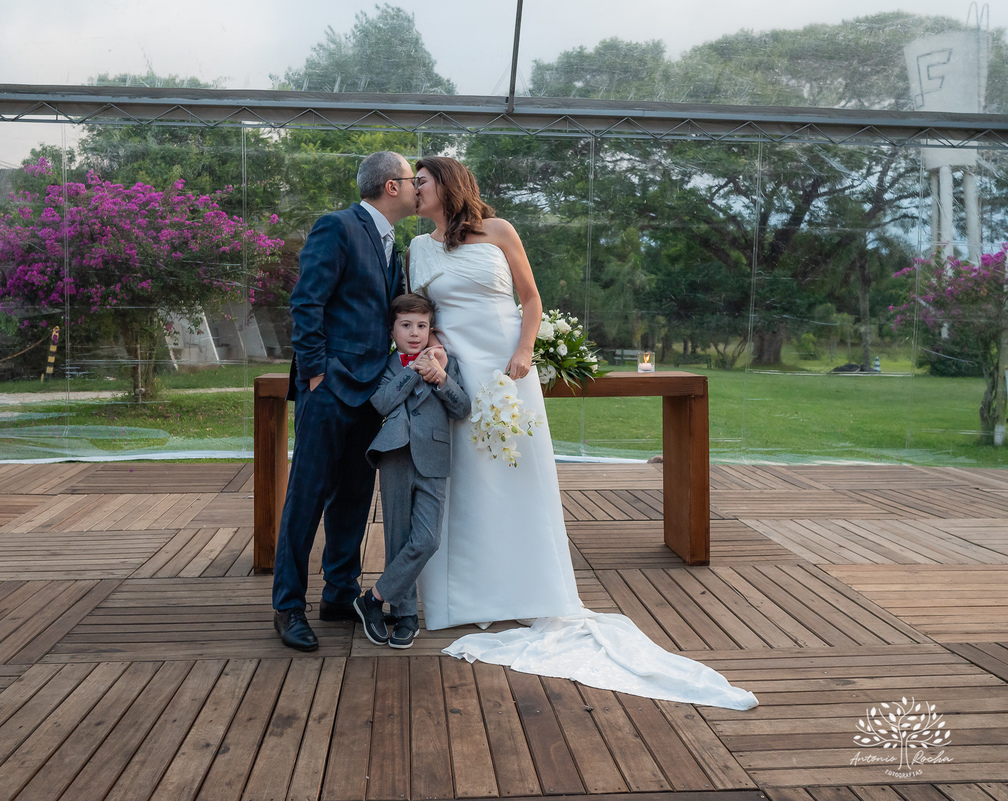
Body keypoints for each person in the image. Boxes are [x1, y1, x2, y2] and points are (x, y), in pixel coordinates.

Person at [406, 156, 757, 710]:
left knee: (519, 477)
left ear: (446, 186)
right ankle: (464, 598)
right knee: (465, 481)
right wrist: (434, 354)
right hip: (458, 373)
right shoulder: (418, 248)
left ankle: (530, 589)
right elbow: (423, 315)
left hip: (507, 368)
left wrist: (524, 352)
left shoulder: (499, 232)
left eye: (420, 183)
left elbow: (530, 299)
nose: (412, 191)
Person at [271, 151, 421, 652]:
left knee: (355, 498)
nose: (419, 188)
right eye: (411, 179)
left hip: (371, 391)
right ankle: (288, 606)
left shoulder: (391, 243)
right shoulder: (336, 227)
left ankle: (339, 594)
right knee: (306, 499)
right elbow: (306, 302)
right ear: (391, 186)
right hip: (330, 388)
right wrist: (315, 374)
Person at [353, 293, 470, 649]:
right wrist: (410, 370)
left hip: (433, 456)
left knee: (427, 539)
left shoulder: (445, 363)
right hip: (395, 456)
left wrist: (440, 378)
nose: (415, 333)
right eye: (406, 326)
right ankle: (405, 614)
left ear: (431, 328)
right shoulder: (387, 364)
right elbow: (381, 402)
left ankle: (372, 598)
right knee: (397, 538)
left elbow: (463, 407)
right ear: (393, 330)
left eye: (422, 326)